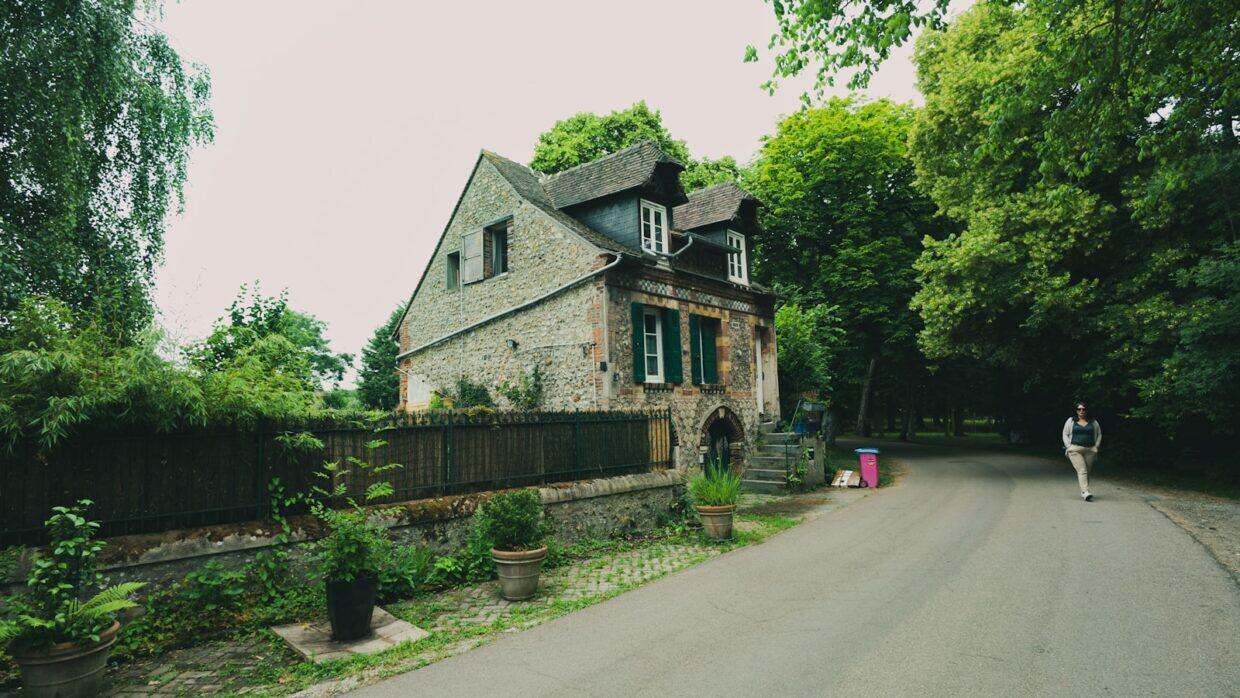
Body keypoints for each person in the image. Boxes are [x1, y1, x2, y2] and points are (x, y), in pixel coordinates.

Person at [1062, 403, 1101, 501]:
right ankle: (1086, 492)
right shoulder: (1071, 421)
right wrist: (1068, 446)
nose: (1081, 411)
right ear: (1076, 411)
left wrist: (1096, 447)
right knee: (1082, 470)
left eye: (1083, 409)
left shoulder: (1093, 422)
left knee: (1087, 471)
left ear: (1087, 410)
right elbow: (1065, 434)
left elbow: (1099, 434)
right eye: (1079, 409)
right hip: (1075, 449)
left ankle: (1084, 491)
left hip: (1090, 449)